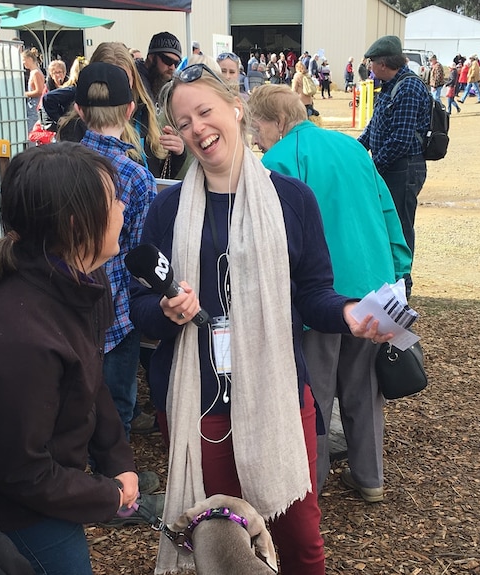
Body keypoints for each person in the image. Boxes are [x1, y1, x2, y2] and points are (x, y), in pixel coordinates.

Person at [129, 62, 392, 575]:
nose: (198, 128)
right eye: (183, 122)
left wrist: (347, 312)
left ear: (236, 107)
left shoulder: (292, 200)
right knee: (215, 548)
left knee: (300, 542)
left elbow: (313, 293)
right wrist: (165, 310)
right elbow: (140, 308)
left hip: (278, 397)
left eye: (205, 111)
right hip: (198, 406)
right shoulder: (168, 208)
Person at [0, 142, 138, 575]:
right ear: (74, 225)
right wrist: (106, 496)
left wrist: (117, 461)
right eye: (112, 201)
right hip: (19, 512)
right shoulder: (19, 337)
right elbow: (19, 471)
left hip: (45, 493)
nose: (124, 208)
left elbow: (90, 377)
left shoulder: (74, 279)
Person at [248, 84, 412, 501]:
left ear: (279, 122)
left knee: (314, 395)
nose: (255, 137)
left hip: (317, 299)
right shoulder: (353, 149)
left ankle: (311, 486)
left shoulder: (278, 159)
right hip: (374, 288)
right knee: (364, 389)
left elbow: (275, 239)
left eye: (258, 126)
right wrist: (400, 273)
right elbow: (389, 209)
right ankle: (370, 478)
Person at [74, 62, 159, 478]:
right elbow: (138, 253)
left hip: (65, 302)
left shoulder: (60, 163)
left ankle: (81, 468)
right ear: (130, 110)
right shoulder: (137, 176)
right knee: (118, 399)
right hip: (117, 308)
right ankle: (114, 481)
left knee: (74, 392)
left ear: (77, 109)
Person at [358, 35, 430, 297]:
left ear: (384, 63)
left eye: (372, 62)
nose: (370, 67)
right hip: (390, 167)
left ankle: (403, 285)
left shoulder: (408, 88)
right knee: (386, 222)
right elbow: (375, 127)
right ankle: (389, 278)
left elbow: (400, 140)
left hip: (403, 168)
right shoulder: (389, 86)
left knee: (399, 224)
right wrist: (355, 151)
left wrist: (370, 167)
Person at [54, 41, 187, 180]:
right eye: (109, 80)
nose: (117, 85)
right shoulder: (75, 127)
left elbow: (158, 176)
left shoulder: (143, 112)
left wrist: (177, 153)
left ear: (133, 80)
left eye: (122, 78)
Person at [137, 31, 182, 108]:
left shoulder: (164, 83)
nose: (172, 67)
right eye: (168, 60)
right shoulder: (134, 82)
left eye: (176, 63)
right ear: (151, 57)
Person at [22, 47, 46, 130]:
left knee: (32, 130)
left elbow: (39, 91)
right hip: (32, 106)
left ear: (29, 59)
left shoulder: (36, 73)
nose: (23, 62)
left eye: (24, 60)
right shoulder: (34, 72)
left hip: (35, 107)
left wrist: (25, 94)